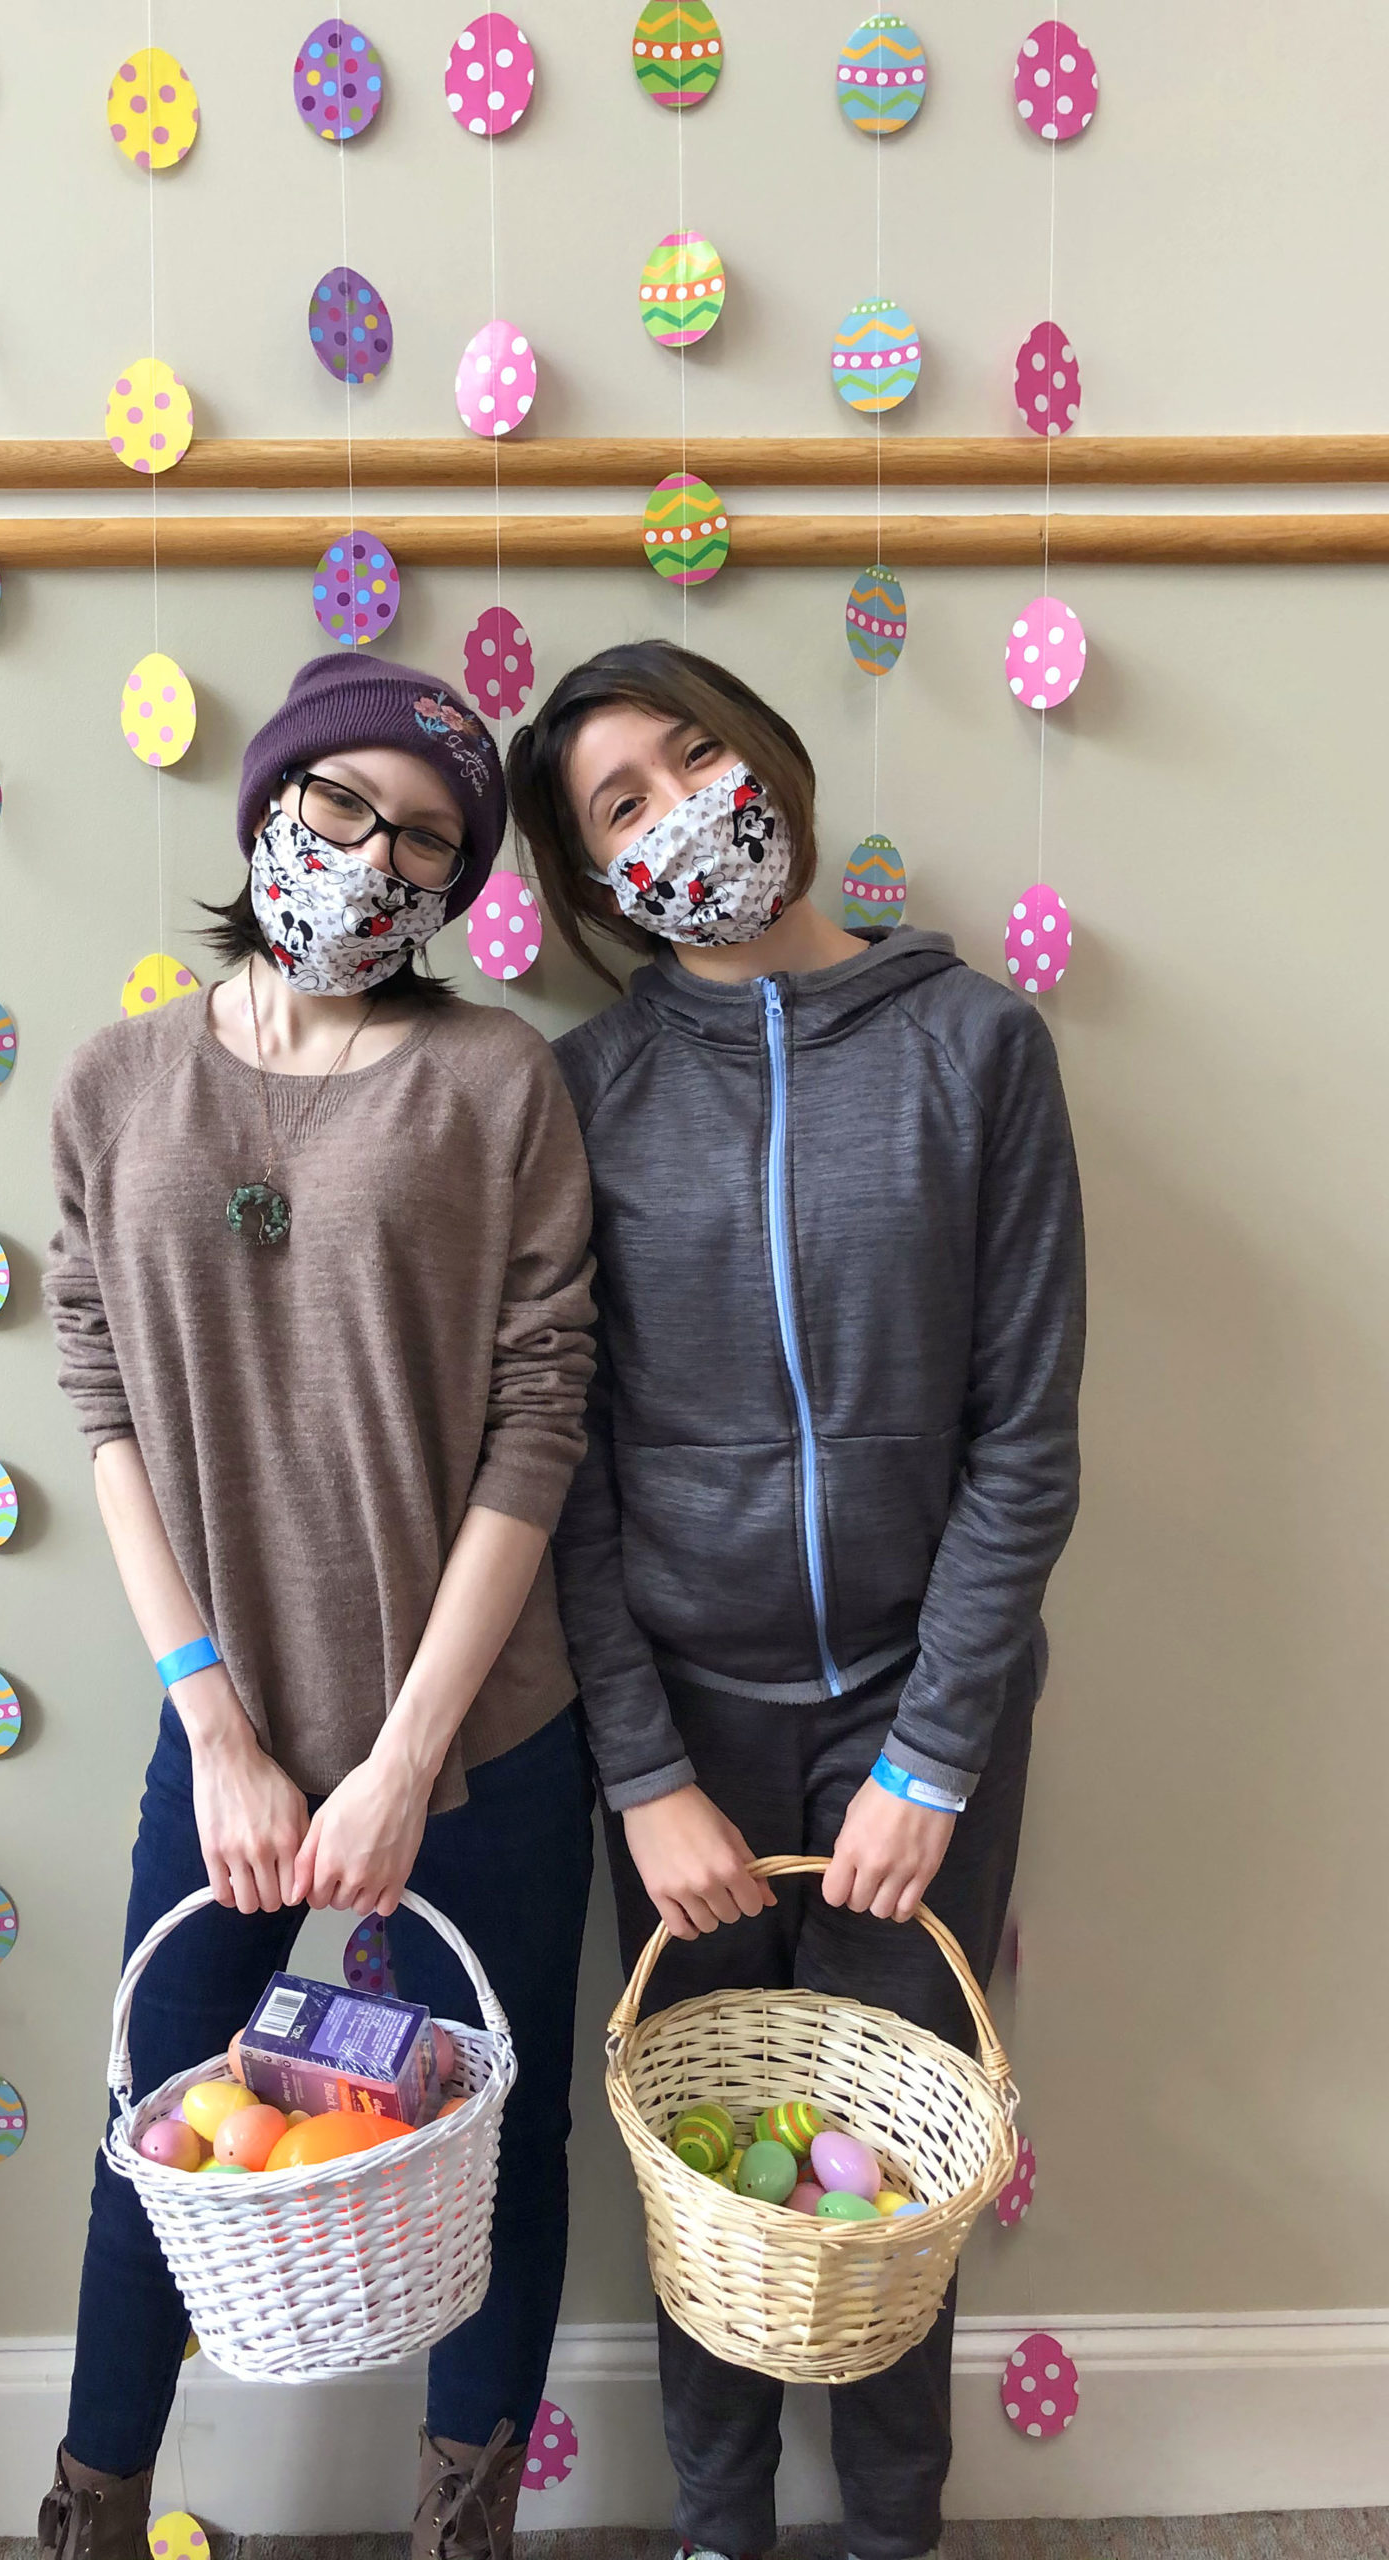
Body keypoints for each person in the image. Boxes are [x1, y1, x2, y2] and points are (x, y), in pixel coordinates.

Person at [506, 639, 1085, 2560]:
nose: (685, 810)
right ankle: (717, 2524)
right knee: (705, 2147)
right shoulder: (581, 1098)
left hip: (923, 1726)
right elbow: (562, 1472)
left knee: (895, 2149)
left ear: (769, 753)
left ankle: (899, 2524)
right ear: (595, 884)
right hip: (685, 1725)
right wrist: (645, 1769)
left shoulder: (977, 1050)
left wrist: (934, 1755)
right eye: (623, 804)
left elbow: (1026, 1442)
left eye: (698, 757)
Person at [40, 651, 598, 2560]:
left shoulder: (494, 1077)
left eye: (430, 837)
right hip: (230, 1741)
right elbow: (102, 1397)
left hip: (485, 1743)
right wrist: (214, 1719)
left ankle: (466, 2525)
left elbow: (542, 1421)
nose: (376, 856)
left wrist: (408, 1757)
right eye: (345, 806)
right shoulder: (117, 1084)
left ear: (461, 886)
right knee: (155, 2133)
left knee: (494, 2146)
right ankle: (90, 2507)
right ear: (271, 803)